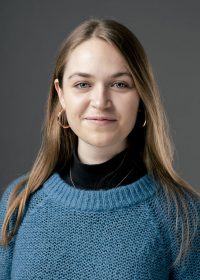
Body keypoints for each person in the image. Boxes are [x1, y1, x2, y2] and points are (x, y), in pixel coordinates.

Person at [0, 17, 200, 280]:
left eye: (120, 84)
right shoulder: (19, 203)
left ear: (141, 96)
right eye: (83, 84)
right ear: (61, 94)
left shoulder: (183, 216)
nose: (100, 101)